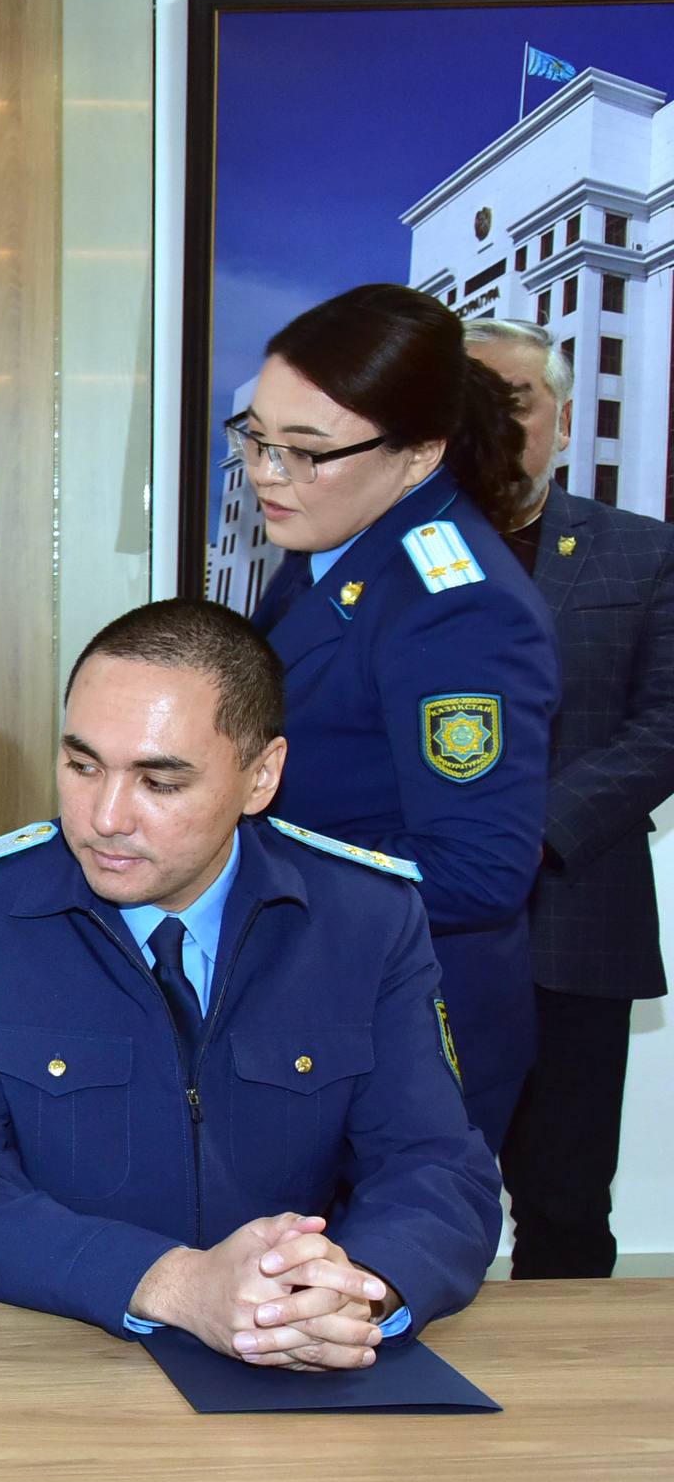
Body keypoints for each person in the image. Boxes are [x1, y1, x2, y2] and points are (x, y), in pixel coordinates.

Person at [0, 600, 501, 1366]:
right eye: (82, 765)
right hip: (49, 1357)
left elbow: (438, 1168)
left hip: (295, 1363)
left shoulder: (364, 918)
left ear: (260, 776)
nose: (106, 816)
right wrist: (175, 1284)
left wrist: (352, 1291)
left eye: (160, 782)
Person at [243, 283, 559, 1150]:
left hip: (400, 1040)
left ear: (419, 454)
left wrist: (233, 864)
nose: (269, 472)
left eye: (307, 451)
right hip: (318, 1010)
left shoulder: (455, 606)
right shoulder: (337, 536)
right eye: (258, 439)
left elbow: (478, 869)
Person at [464, 318, 674, 1278]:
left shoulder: (644, 553)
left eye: (515, 399)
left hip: (575, 917)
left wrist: (528, 833)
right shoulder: (383, 554)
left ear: (563, 417)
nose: (491, 422)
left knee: (567, 1207)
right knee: (386, 1193)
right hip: (411, 930)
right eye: (466, 400)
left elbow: (665, 725)